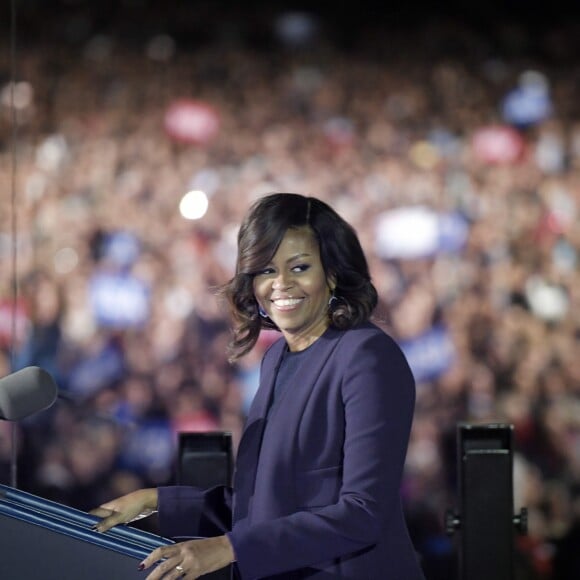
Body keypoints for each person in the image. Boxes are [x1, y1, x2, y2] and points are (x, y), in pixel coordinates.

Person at [90, 193, 424, 579]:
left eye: (299, 267)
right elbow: (265, 506)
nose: (280, 284)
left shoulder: (367, 357)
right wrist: (156, 501)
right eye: (265, 270)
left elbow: (362, 513)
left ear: (332, 273)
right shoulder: (276, 358)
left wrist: (229, 548)